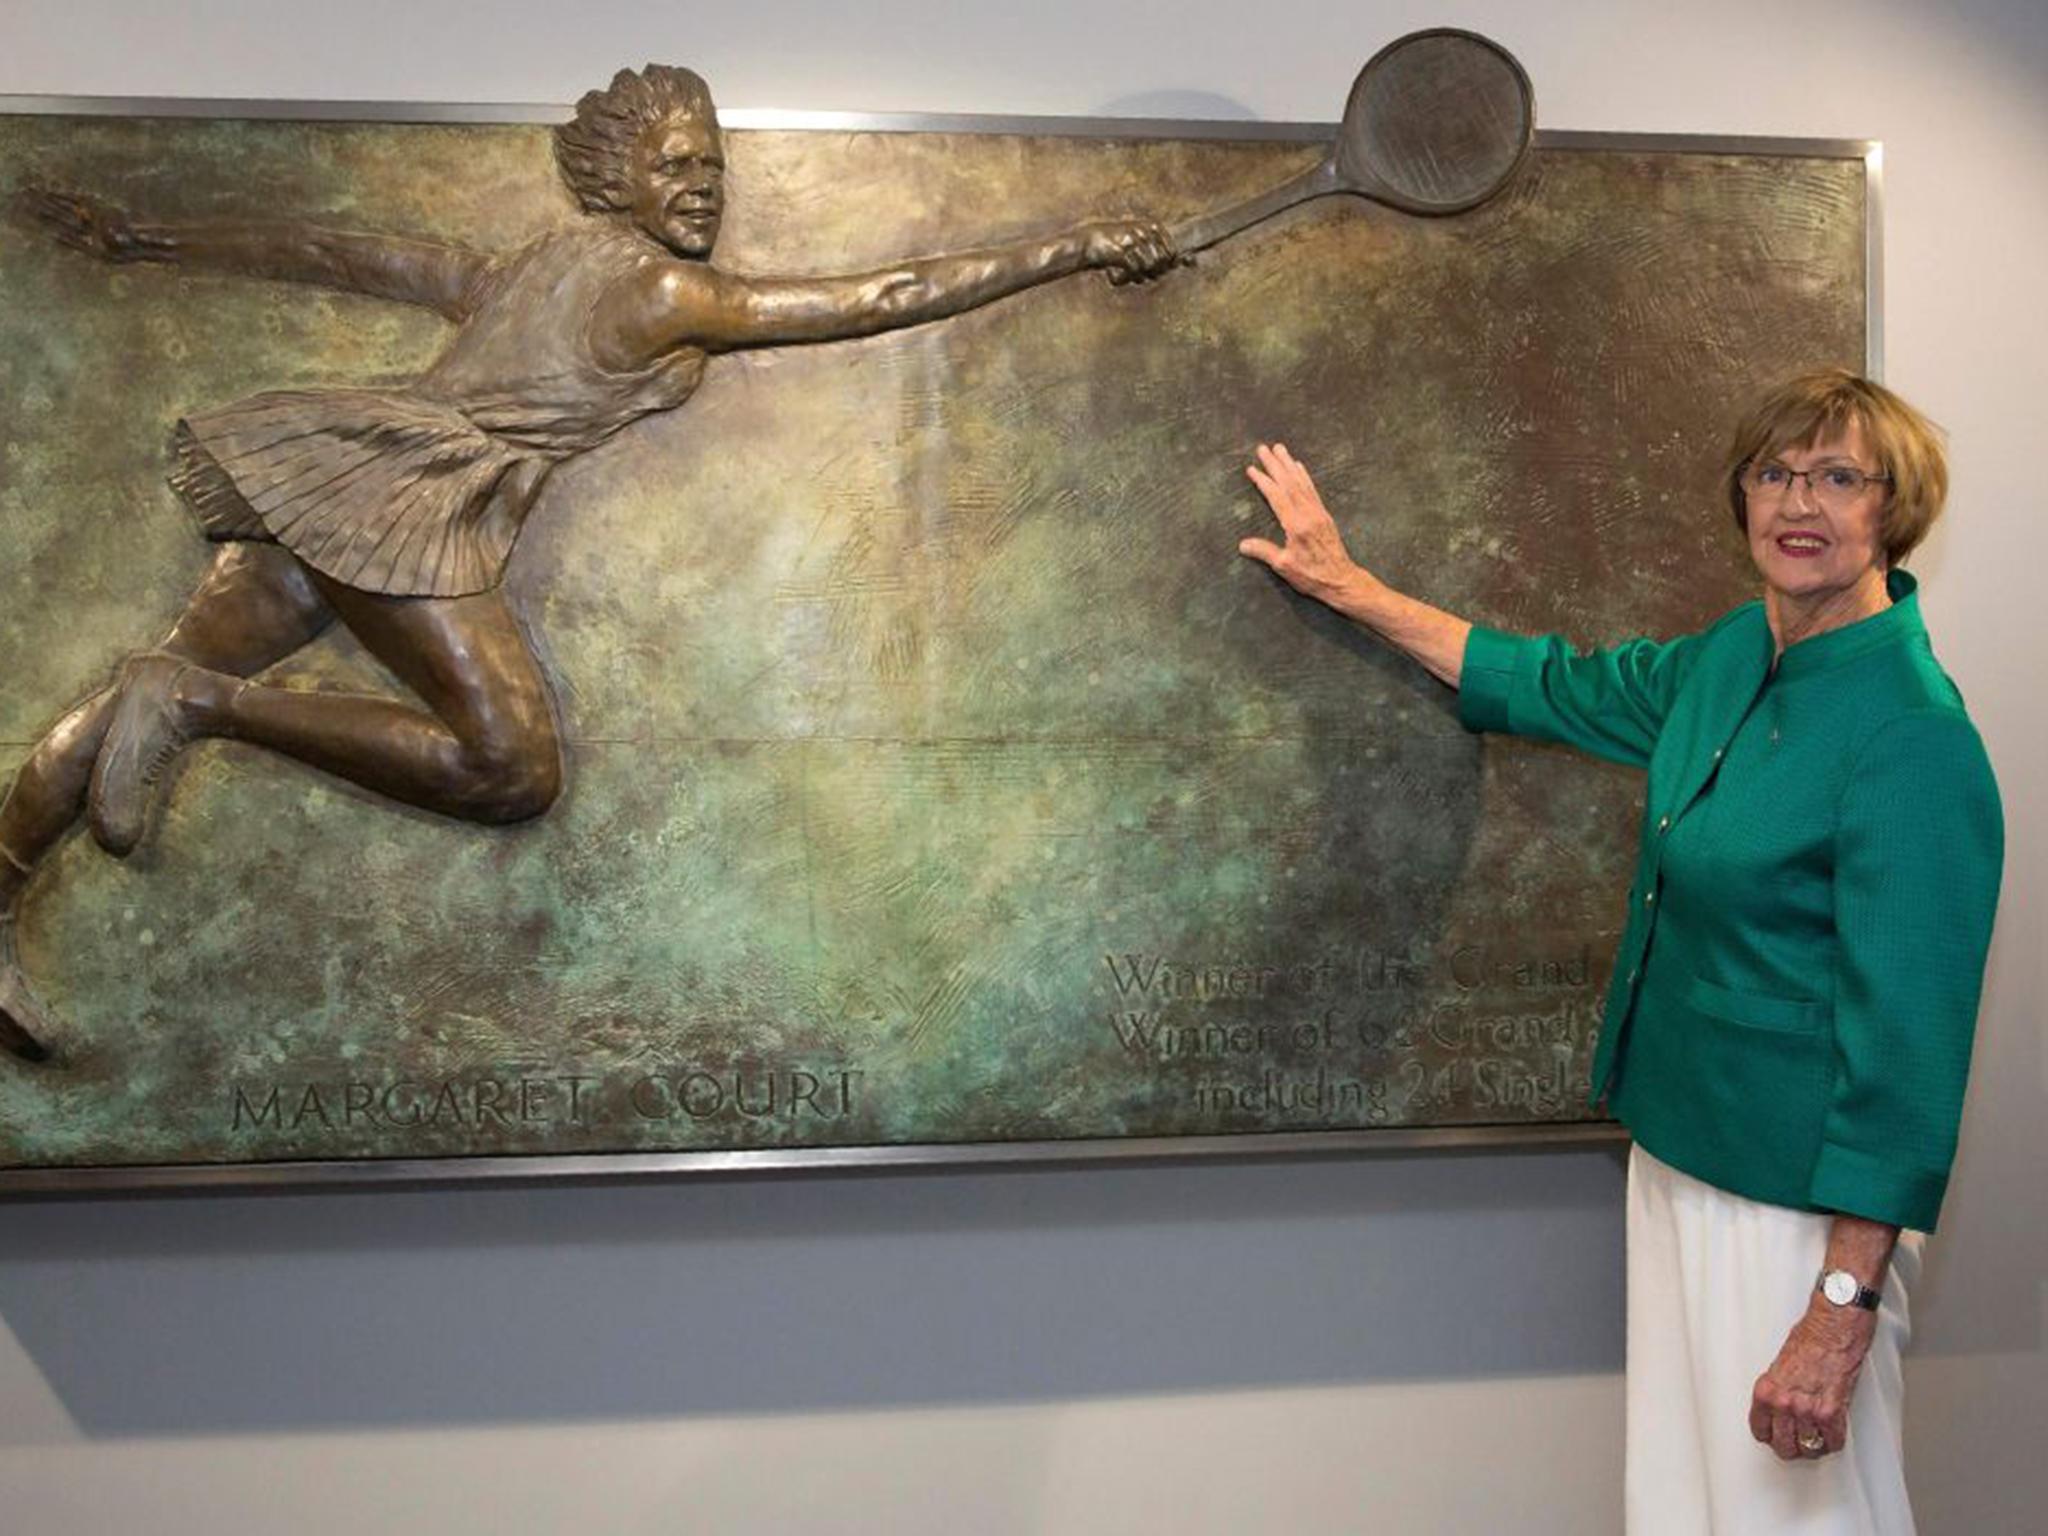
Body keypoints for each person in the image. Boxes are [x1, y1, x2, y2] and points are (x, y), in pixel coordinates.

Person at [0, 64, 1178, 1062]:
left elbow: (340, 252)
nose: (702, 190)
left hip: (338, 471)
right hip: (412, 497)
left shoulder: (531, 265)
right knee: (509, 764)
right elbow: (887, 296)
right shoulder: (668, 288)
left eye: (712, 168)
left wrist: (151, 238)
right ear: (620, 182)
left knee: (123, 694)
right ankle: (210, 706)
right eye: (676, 168)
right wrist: (1070, 243)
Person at [1239, 368, 2001, 1535]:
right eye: (1774, 472)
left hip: (1792, 1210)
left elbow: (1910, 1053)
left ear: (1891, 512)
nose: (1799, 501)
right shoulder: (1733, 657)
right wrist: (1348, 588)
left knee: (1791, 1510)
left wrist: (1838, 1301)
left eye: (1839, 476)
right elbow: (1545, 681)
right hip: (1680, 1155)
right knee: (1687, 1490)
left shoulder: (1910, 734)